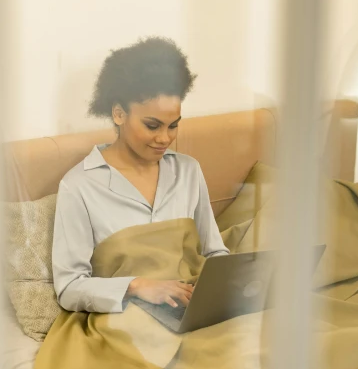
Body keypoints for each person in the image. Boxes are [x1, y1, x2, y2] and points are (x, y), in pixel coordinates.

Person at [52, 37, 229, 313]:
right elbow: (69, 287)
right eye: (152, 125)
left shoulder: (188, 170)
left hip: (190, 308)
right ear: (119, 114)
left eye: (173, 126)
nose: (164, 138)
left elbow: (215, 253)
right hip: (124, 318)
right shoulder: (79, 187)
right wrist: (135, 286)